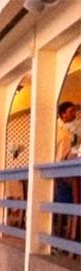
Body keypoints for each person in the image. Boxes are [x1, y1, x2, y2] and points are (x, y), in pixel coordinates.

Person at [55, 102, 80, 242]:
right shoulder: (64, 133)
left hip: (57, 178)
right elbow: (65, 156)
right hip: (62, 176)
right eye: (71, 111)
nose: (74, 114)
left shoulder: (58, 130)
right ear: (63, 114)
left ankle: (67, 231)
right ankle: (72, 233)